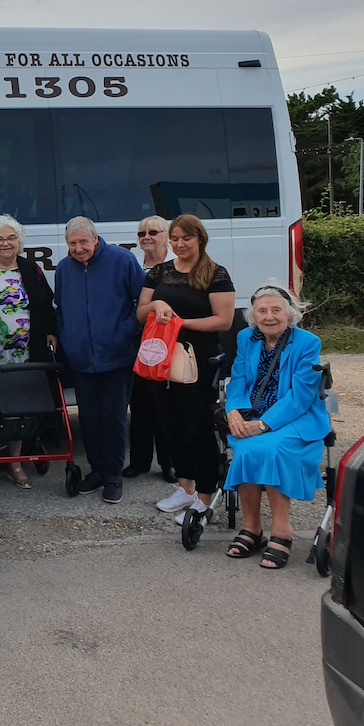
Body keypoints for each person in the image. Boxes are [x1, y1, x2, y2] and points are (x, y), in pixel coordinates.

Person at [137, 214, 235, 523]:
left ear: (200, 240)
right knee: (170, 425)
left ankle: (205, 497)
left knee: (197, 428)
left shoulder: (215, 274)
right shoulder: (159, 272)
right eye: (176, 238)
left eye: (186, 239)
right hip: (162, 361)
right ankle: (185, 487)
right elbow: (141, 313)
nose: (180, 244)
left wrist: (181, 324)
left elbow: (224, 320)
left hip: (198, 361)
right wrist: (155, 307)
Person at [223, 282, 329, 569]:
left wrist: (264, 424)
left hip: (295, 418)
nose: (269, 316)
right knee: (245, 451)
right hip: (252, 414)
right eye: (262, 311)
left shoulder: (307, 343)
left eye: (276, 310)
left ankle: (282, 530)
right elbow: (239, 379)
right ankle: (252, 529)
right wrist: (232, 410)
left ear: (290, 313)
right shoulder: (246, 338)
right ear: (253, 315)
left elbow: (301, 396)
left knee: (271, 449)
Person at [54, 216, 145, 505]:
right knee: (89, 419)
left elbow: (142, 301)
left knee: (114, 418)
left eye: (83, 242)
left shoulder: (123, 260)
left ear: (95, 239)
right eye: (73, 243)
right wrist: (67, 338)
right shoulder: (64, 269)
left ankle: (114, 476)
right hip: (81, 358)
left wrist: (126, 331)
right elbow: (60, 308)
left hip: (116, 356)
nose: (79, 248)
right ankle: (96, 471)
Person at [0, 214, 58, 490]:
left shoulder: (32, 270)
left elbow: (45, 305)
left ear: (19, 242)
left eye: (11, 238)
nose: (5, 243)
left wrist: (51, 332)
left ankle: (15, 463)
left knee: (18, 408)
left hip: (23, 353)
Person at [125, 215, 176, 482]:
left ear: (166, 236)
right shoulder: (132, 264)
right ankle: (139, 462)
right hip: (138, 340)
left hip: (169, 341)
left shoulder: (177, 265)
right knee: (140, 402)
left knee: (165, 404)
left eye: (153, 232)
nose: (146, 237)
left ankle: (168, 463)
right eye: (141, 233)